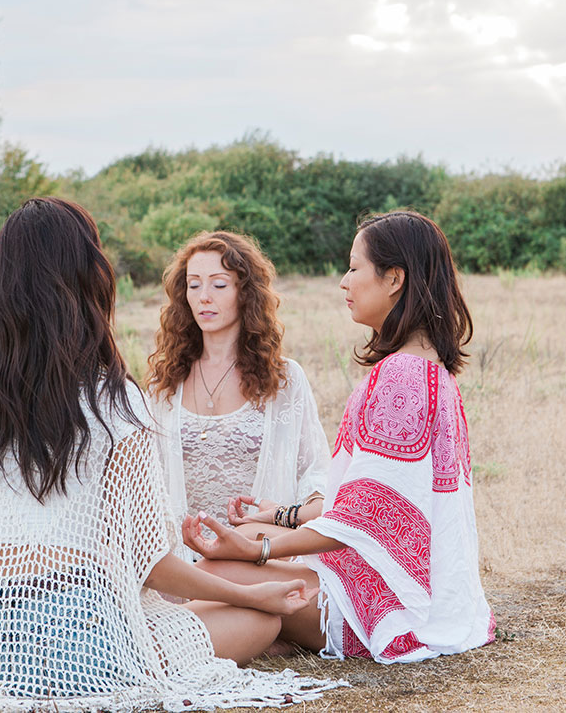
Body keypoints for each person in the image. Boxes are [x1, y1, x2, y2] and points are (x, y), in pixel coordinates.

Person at [0, 198, 341, 710]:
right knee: (260, 620)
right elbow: (151, 565)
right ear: (90, 279)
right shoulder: (116, 400)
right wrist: (251, 595)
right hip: (90, 649)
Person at [182, 210, 495, 663]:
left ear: (393, 278)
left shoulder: (403, 377)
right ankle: (261, 634)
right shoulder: (425, 366)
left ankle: (153, 647)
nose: (344, 283)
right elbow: (365, 500)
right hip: (408, 586)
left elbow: (362, 518)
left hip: (390, 605)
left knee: (221, 564)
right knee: (246, 533)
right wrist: (282, 516)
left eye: (353, 267)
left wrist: (260, 548)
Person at [146, 231, 330, 558]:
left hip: (259, 556)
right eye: (193, 284)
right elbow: (146, 487)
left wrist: (284, 517)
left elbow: (316, 475)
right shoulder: (164, 385)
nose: (204, 296)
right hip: (182, 563)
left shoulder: (285, 380)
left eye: (218, 285)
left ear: (245, 293)